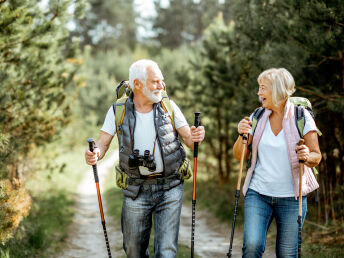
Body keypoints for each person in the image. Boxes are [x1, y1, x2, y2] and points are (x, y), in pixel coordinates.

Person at [85, 59, 205, 258]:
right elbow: (103, 143)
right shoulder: (118, 110)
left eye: (162, 81)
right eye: (155, 81)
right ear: (138, 84)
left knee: (166, 252)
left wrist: (198, 136)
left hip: (170, 187)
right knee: (133, 251)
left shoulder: (169, 106)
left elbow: (190, 141)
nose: (161, 86)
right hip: (135, 189)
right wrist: (94, 153)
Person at [233, 68, 321, 258]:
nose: (259, 93)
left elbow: (316, 156)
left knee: (287, 254)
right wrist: (242, 136)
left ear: (278, 90)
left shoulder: (301, 117)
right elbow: (239, 155)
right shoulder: (257, 116)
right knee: (251, 246)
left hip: (292, 197)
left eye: (263, 88)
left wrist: (307, 155)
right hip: (258, 193)